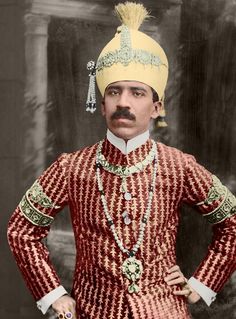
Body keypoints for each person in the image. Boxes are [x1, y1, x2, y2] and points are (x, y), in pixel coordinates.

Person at [8, 2, 236, 319]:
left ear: (157, 107)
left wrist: (201, 284)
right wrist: (54, 294)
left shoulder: (179, 165)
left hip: (164, 311)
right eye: (114, 92)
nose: (123, 103)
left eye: (137, 93)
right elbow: (21, 230)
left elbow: (232, 221)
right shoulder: (70, 167)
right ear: (102, 105)